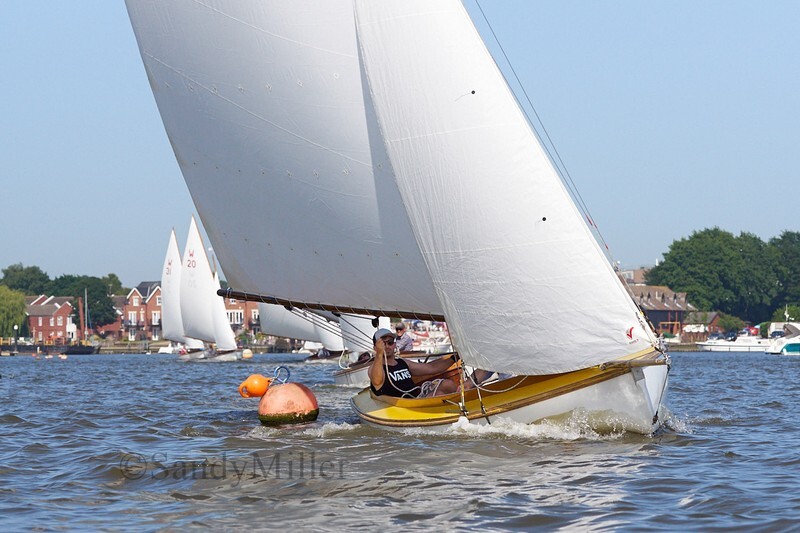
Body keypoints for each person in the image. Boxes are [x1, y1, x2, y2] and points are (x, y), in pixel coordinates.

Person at [368, 328, 459, 398]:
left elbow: (432, 367)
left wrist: (454, 358)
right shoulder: (374, 368)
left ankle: (463, 413)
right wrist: (379, 353)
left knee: (448, 384)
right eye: (383, 344)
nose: (387, 346)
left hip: (415, 400)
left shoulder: (403, 362)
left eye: (390, 343)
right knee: (438, 394)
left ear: (394, 344)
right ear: (376, 347)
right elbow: (377, 382)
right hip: (396, 406)